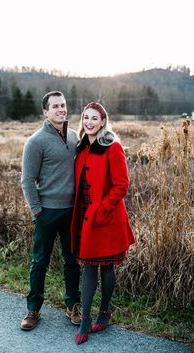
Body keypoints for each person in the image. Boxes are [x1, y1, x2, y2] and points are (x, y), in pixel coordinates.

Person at [70, 102, 135, 345]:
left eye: (94, 118)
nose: (89, 122)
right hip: (84, 217)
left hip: (105, 218)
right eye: (85, 117)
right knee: (87, 266)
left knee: (107, 266)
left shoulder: (112, 146)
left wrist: (102, 209)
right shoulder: (81, 147)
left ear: (103, 121)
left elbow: (122, 185)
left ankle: (104, 313)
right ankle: (85, 320)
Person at [21, 91, 81, 331]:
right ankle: (33, 309)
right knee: (40, 262)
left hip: (71, 212)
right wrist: (37, 211)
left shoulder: (75, 137)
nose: (61, 109)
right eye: (55, 106)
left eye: (63, 105)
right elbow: (27, 180)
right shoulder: (35, 142)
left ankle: (72, 305)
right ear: (45, 112)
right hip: (46, 212)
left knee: (72, 261)